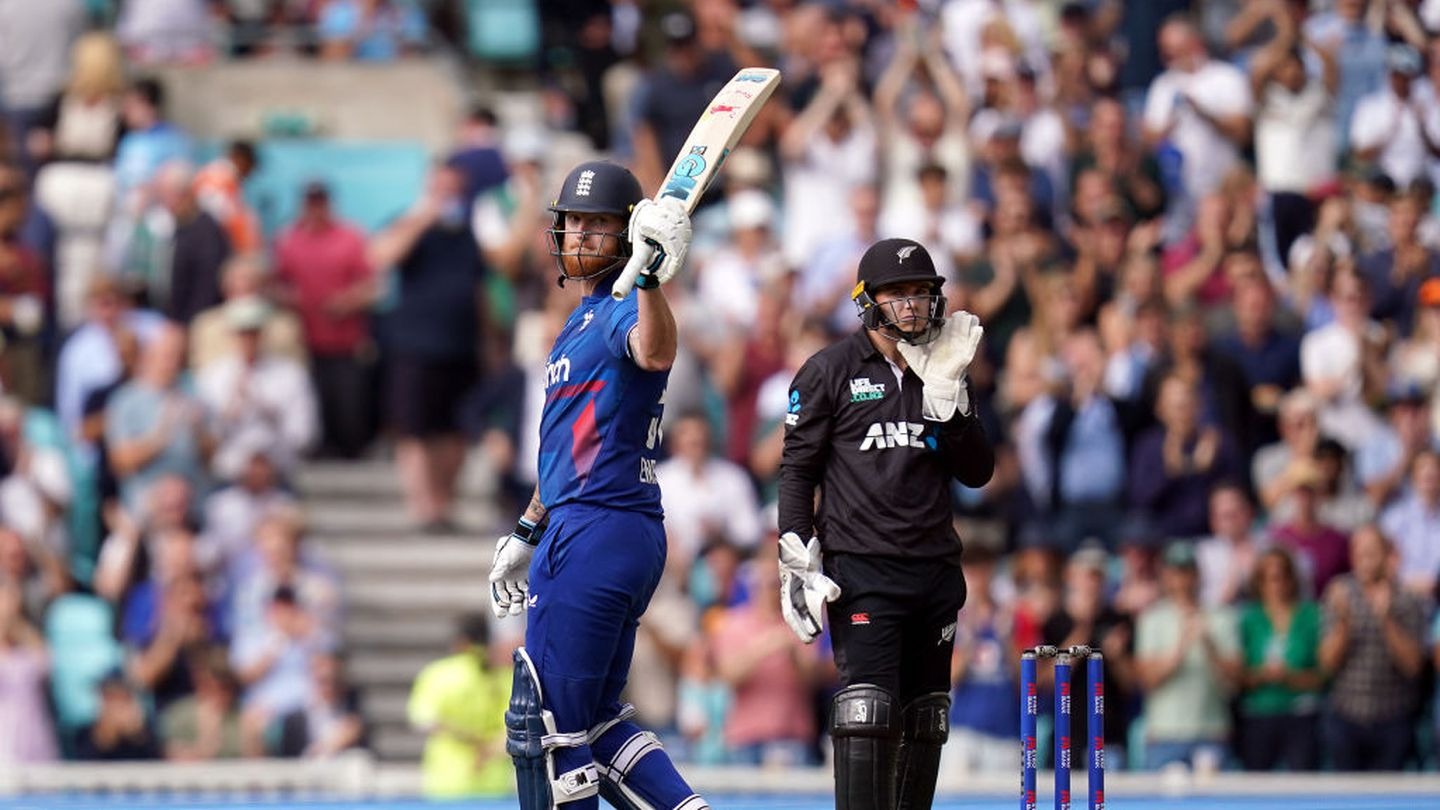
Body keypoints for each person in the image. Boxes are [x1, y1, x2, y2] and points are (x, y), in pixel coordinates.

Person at [486, 161, 707, 810]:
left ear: (625, 234)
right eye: (573, 222)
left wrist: (650, 278)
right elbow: (561, 452)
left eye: (597, 224)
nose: (579, 235)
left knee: (547, 728)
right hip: (603, 526)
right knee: (599, 723)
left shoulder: (620, 308)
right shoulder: (578, 321)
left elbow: (657, 351)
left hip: (594, 528)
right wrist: (526, 531)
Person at [778, 238, 994, 810]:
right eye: (897, 293)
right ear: (867, 301)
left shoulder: (944, 365)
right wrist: (795, 549)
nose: (911, 304)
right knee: (867, 711)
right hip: (863, 570)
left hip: (935, 570)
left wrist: (954, 402)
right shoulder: (829, 370)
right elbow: (797, 470)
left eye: (921, 292)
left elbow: (977, 471)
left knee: (925, 717)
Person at [408, 613, 512, 798]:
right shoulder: (504, 677)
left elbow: (424, 720)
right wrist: (487, 751)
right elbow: (513, 729)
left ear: (460, 641)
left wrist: (463, 736)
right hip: (494, 781)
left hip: (447, 781)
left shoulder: (437, 674)